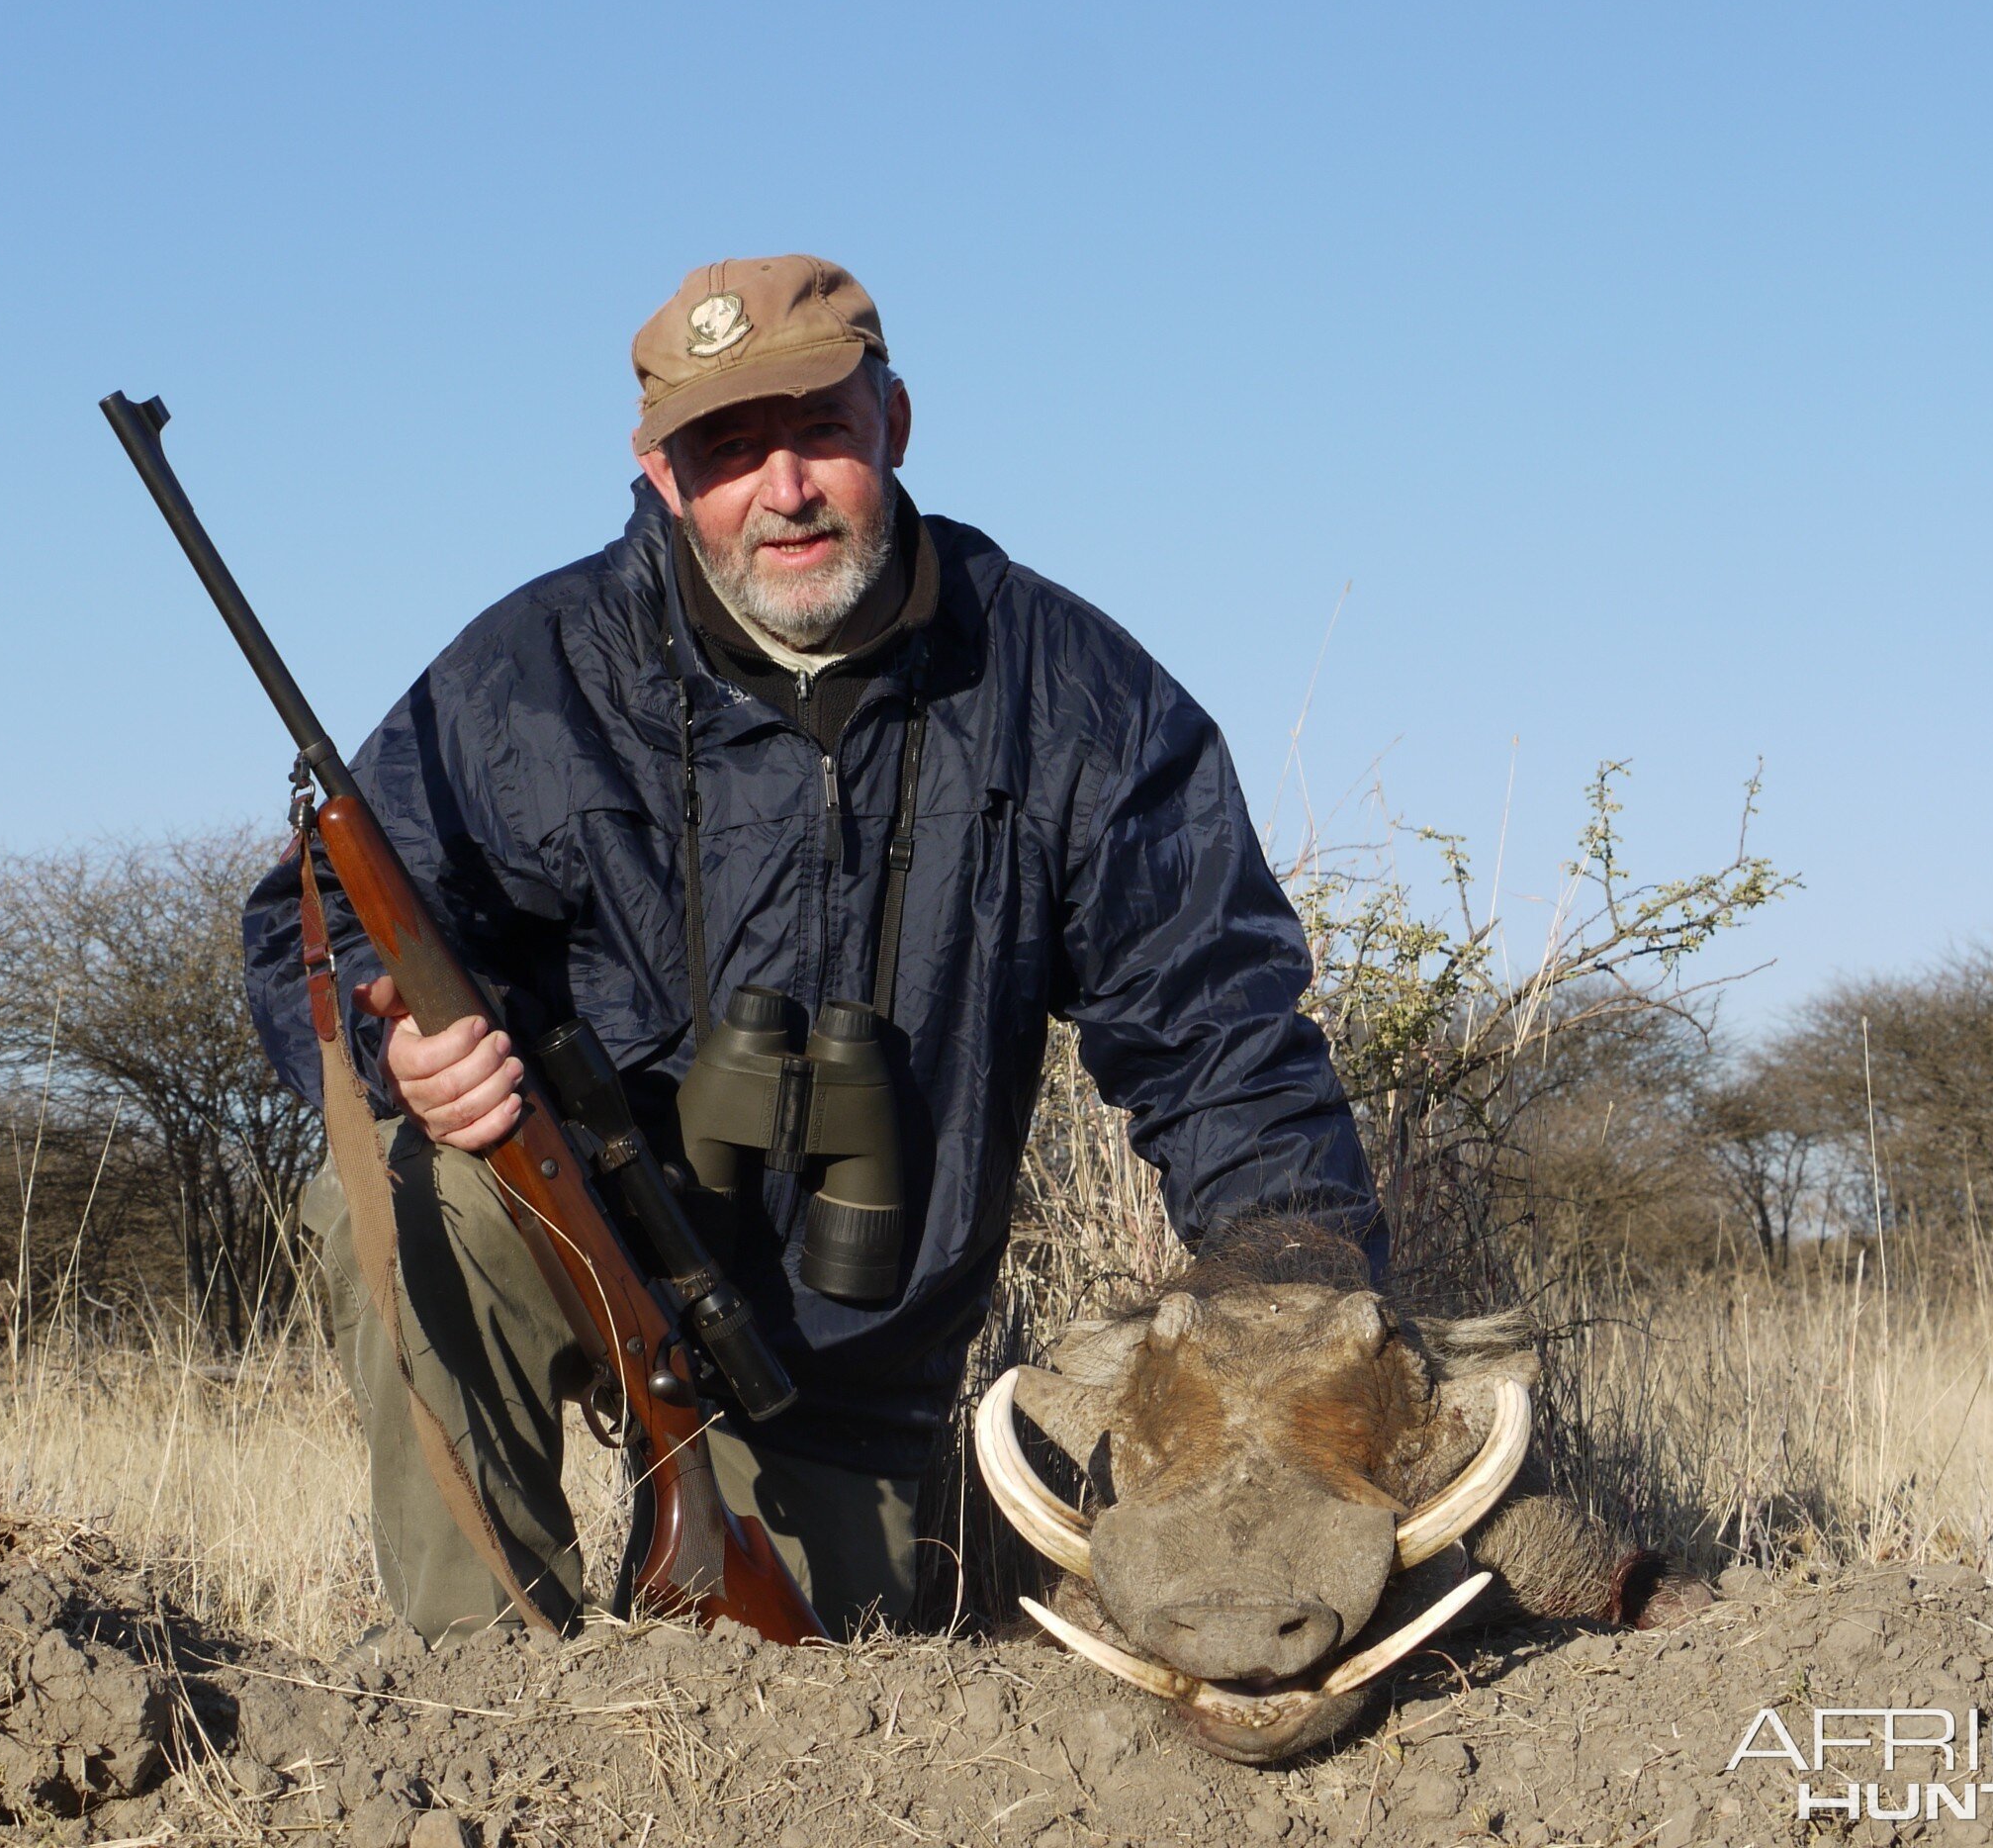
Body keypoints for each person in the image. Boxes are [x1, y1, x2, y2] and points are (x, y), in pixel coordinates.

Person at [242, 254, 1388, 1641]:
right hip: (578, 1241)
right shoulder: (526, 675)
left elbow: (1221, 1032)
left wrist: (1294, 1301)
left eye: (820, 435)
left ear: (893, 427)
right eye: (726, 449)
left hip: (850, 1372)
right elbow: (323, 924)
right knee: (413, 1205)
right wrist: (394, 1052)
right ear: (660, 474)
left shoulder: (1073, 690)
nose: (781, 489)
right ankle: (480, 1704)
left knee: (805, 1698)